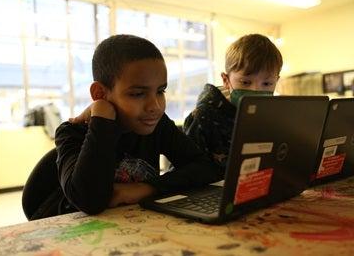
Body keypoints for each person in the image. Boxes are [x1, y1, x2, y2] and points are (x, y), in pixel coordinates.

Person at [50, 34, 221, 217]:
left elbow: (207, 168)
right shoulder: (72, 132)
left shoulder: (157, 125)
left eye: (160, 91)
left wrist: (147, 188)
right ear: (100, 93)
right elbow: (89, 201)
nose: (155, 106)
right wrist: (102, 117)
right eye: (138, 94)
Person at [183, 33, 283, 176]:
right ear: (225, 80)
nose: (256, 90)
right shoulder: (203, 116)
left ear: (276, 80)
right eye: (245, 82)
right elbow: (187, 172)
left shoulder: (272, 117)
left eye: (267, 83)